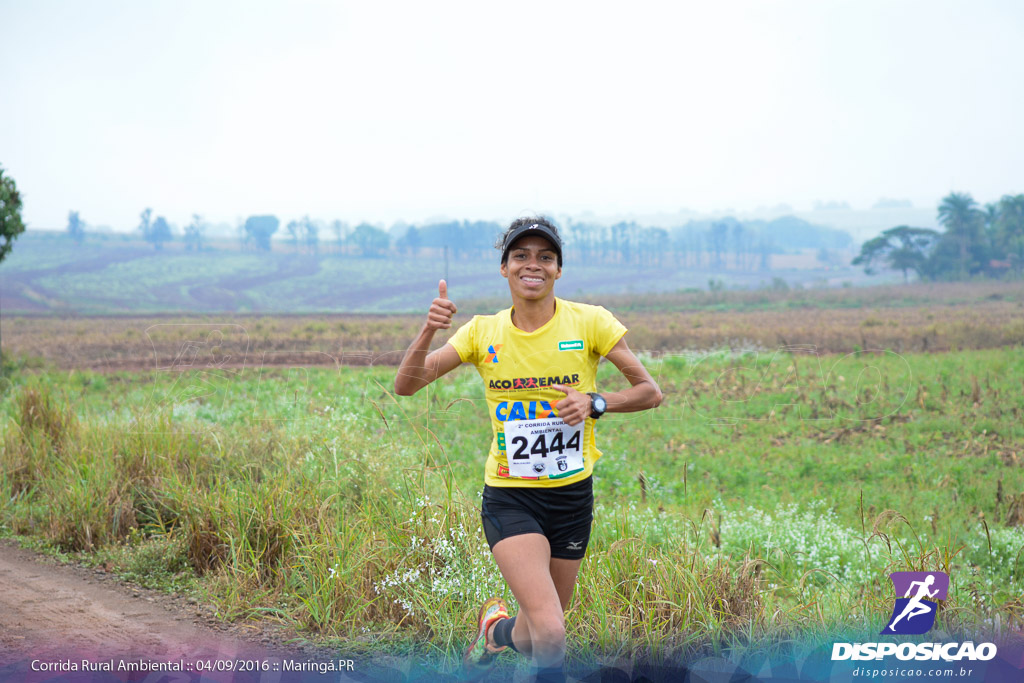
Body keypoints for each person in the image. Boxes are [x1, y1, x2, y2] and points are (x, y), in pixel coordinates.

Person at [394, 217, 663, 682]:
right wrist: (427, 333)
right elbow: (406, 385)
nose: (532, 265)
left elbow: (649, 391)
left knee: (542, 628)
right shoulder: (482, 332)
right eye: (521, 255)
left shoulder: (592, 321)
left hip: (572, 496)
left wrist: (596, 401)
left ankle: (495, 633)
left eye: (545, 257)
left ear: (559, 270)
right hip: (511, 495)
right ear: (505, 269)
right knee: (553, 634)